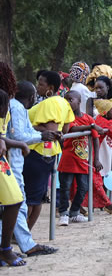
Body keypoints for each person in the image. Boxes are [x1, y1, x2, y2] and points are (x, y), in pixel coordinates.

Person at [4, 81, 59, 257]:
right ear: (32, 96)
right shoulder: (16, 107)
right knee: (16, 201)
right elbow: (18, 135)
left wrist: (43, 136)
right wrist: (41, 136)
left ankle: (15, 245)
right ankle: (25, 245)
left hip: (15, 160)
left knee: (15, 202)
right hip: (12, 160)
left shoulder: (15, 106)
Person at [23, 70, 75, 231]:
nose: (38, 87)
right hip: (49, 153)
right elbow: (65, 129)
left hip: (37, 152)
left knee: (31, 196)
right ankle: (21, 233)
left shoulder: (50, 103)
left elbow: (51, 131)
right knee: (35, 195)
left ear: (50, 87)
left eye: (41, 84)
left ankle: (22, 233)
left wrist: (27, 126)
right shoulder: (63, 102)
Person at [57, 91, 105, 226]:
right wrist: (91, 126)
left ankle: (74, 212)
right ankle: (63, 213)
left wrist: (96, 159)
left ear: (79, 102)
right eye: (66, 100)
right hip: (68, 159)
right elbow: (72, 130)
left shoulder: (88, 118)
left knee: (83, 187)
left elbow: (95, 137)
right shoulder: (67, 118)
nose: (68, 102)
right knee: (65, 187)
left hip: (83, 160)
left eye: (71, 99)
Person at [0, 89, 27, 267]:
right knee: (13, 201)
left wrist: (19, 144)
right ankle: (5, 250)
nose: (8, 108)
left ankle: (4, 249)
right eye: (5, 105)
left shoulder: (4, 117)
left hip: (2, 163)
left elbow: (2, 138)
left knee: (15, 200)